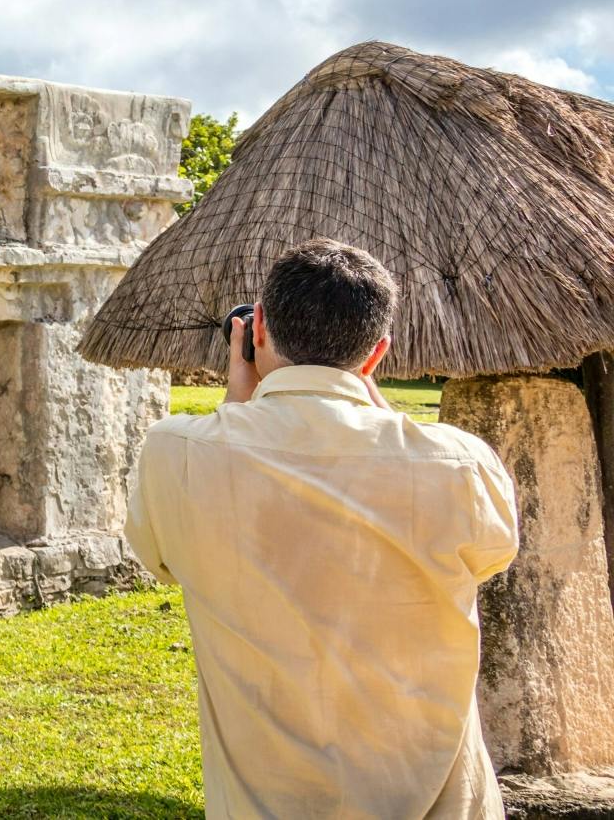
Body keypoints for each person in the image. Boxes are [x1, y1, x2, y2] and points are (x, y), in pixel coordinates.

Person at [125, 238, 519, 819]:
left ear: (256, 329)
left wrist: (238, 409)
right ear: (376, 354)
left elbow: (158, 559)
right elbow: (492, 555)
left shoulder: (174, 453)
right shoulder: (460, 464)